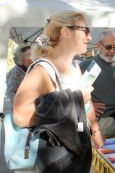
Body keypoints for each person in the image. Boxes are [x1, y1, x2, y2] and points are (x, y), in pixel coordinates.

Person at [13, 11, 104, 172]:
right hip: (56, 157)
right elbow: (20, 117)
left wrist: (95, 130)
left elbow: (85, 104)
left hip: (78, 150)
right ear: (65, 32)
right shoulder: (43, 69)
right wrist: (73, 101)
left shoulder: (76, 67)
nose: (90, 37)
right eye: (85, 30)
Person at [80, 31, 115, 138]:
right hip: (104, 121)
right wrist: (90, 106)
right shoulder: (88, 65)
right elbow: (80, 93)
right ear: (99, 45)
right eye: (108, 47)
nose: (112, 51)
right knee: (103, 153)